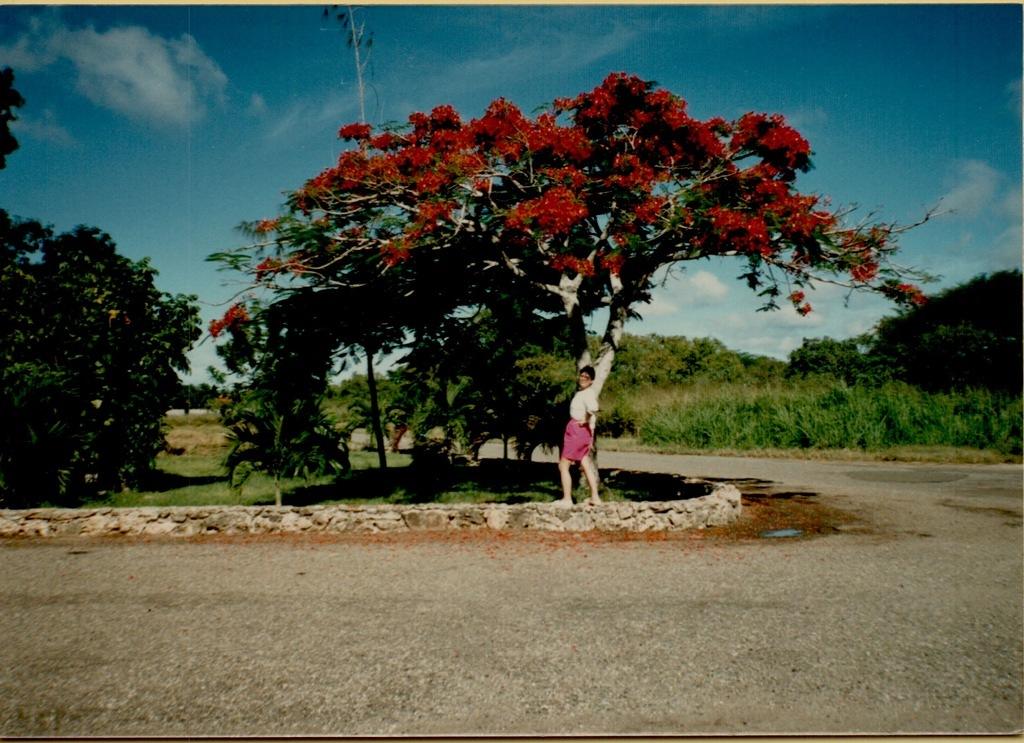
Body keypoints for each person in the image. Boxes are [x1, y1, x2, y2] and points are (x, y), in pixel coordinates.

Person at [556, 365, 601, 506]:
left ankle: (567, 499)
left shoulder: (588, 394)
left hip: (578, 430)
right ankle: (595, 497)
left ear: (591, 380)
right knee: (585, 463)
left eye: (586, 377)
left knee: (563, 465)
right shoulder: (582, 393)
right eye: (581, 376)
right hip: (580, 431)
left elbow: (593, 409)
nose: (583, 378)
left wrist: (585, 419)